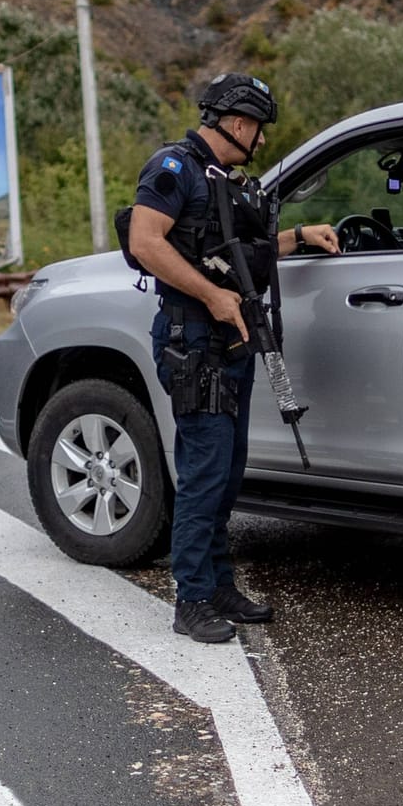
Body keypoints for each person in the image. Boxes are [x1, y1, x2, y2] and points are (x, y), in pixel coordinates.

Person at [127, 72, 340, 644]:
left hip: (231, 340)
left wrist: (299, 236)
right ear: (239, 123)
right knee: (202, 472)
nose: (263, 141)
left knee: (226, 471)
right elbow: (145, 242)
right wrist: (211, 296)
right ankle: (191, 598)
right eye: (260, 129)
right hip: (194, 338)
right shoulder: (175, 168)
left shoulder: (222, 178)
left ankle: (219, 584)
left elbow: (232, 250)